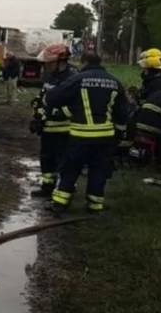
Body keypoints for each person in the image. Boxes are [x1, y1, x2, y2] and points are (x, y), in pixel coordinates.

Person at [46, 52, 128, 213]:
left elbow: (54, 98)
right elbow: (122, 113)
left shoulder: (78, 79)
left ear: (84, 62)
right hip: (105, 137)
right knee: (98, 171)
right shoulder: (114, 82)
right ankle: (94, 205)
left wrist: (67, 106)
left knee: (70, 168)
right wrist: (119, 135)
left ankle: (60, 203)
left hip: (80, 135)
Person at [28, 43, 76, 198]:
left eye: (49, 63)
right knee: (46, 160)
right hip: (47, 129)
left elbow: (74, 107)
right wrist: (37, 116)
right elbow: (43, 97)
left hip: (64, 131)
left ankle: (62, 191)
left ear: (61, 61)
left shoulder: (72, 79)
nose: (46, 66)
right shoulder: (50, 77)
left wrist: (51, 114)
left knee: (63, 163)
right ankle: (47, 187)